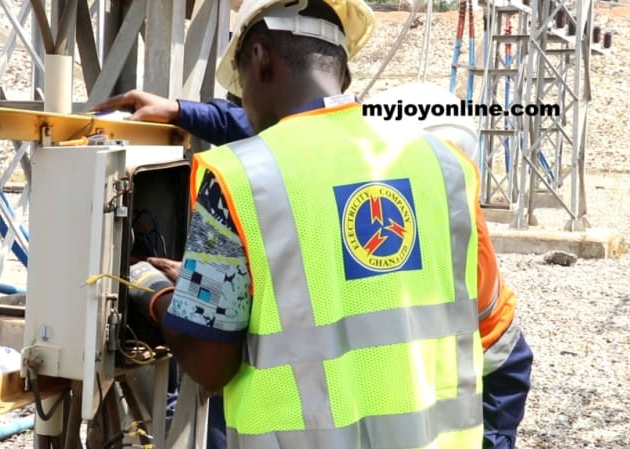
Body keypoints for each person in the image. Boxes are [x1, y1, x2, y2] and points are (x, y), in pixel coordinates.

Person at [117, 0, 497, 447]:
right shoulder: (445, 166)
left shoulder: (239, 177)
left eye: (239, 85)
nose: (245, 106)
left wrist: (159, 293)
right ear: (344, 72)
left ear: (259, 58)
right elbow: (466, 310)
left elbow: (209, 362)